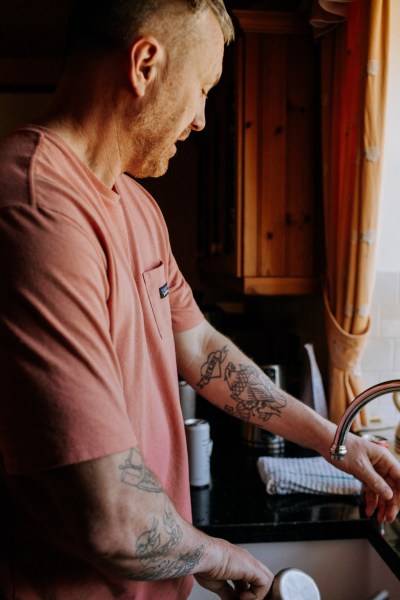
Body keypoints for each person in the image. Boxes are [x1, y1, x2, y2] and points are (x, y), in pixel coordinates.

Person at [0, 1, 399, 599]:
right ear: (145, 65)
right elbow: (110, 519)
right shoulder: (35, 208)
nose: (202, 120)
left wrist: (334, 441)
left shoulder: (136, 205)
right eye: (203, 88)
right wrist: (221, 557)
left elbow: (203, 350)